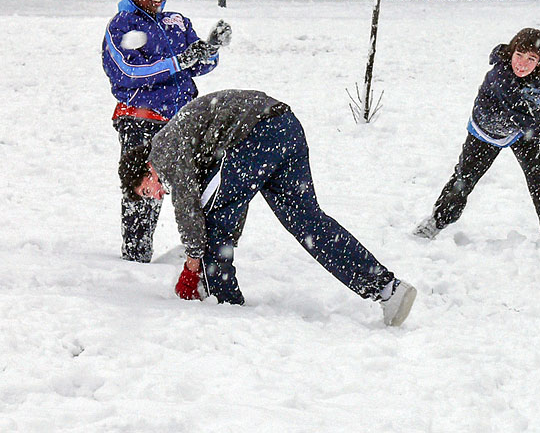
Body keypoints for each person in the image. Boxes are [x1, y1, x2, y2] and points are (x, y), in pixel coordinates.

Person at [118, 89, 417, 326]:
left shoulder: (163, 149)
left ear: (146, 168)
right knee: (308, 223)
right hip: (284, 126)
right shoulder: (184, 146)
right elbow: (231, 193)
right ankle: (387, 289)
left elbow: (187, 206)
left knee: (206, 218)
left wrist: (193, 263)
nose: (155, 196)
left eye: (147, 189)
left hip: (256, 133)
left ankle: (223, 307)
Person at [102, 0, 232, 263]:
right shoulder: (121, 26)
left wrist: (211, 48)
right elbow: (127, 72)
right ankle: (135, 258)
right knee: (143, 191)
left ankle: (201, 254)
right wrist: (177, 62)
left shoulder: (177, 21)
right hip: (141, 120)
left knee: (196, 186)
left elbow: (198, 66)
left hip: (182, 122)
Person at [414, 28, 540, 243]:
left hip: (520, 132)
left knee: (537, 177)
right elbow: (518, 115)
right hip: (486, 130)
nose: (522, 64)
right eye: (519, 55)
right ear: (511, 52)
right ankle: (437, 221)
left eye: (531, 58)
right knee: (464, 179)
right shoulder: (500, 75)